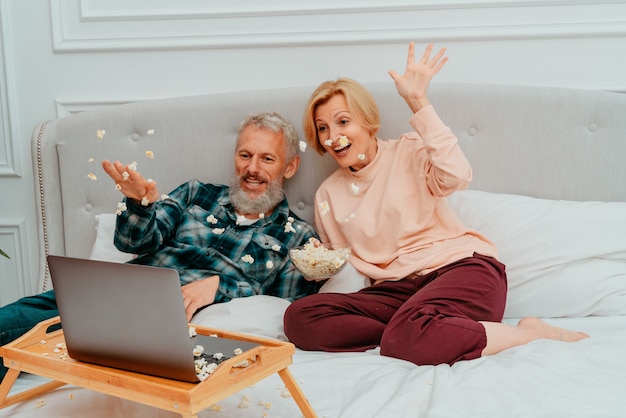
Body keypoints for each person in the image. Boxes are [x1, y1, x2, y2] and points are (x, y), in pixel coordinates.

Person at [283, 42, 589, 366]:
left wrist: (418, 101)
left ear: (368, 122)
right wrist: (322, 263)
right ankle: (416, 329)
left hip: (462, 271)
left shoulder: (409, 151)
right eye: (323, 128)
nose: (333, 135)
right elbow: (347, 264)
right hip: (398, 295)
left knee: (408, 333)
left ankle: (529, 333)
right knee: (299, 318)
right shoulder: (328, 195)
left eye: (343, 122)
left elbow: (458, 177)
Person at [0, 111, 321, 382]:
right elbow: (133, 242)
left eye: (267, 158)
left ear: (289, 167)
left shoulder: (298, 239)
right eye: (245, 155)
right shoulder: (197, 193)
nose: (253, 168)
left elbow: (281, 314)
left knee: (12, 335)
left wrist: (221, 286)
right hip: (114, 285)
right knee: (12, 321)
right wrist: (139, 203)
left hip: (156, 316)